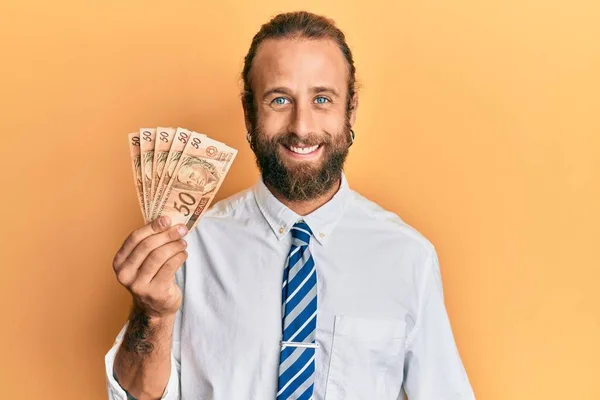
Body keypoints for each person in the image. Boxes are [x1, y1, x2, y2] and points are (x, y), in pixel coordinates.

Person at [105, 11, 476, 400]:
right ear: (249, 114)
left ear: (349, 110)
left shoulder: (408, 257)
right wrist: (153, 314)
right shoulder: (188, 247)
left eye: (321, 99)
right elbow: (138, 397)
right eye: (279, 100)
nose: (301, 127)